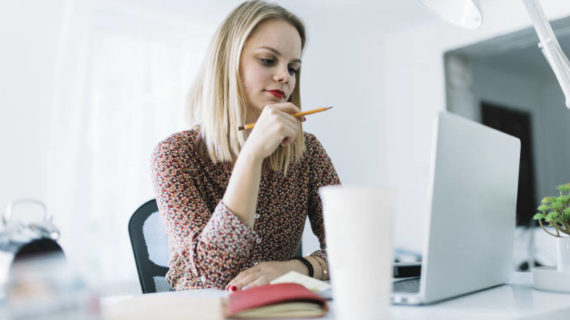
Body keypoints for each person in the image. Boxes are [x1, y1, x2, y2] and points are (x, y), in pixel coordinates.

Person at [151, 0, 340, 292]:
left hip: (280, 310)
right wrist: (251, 155)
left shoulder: (307, 151)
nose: (285, 77)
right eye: (267, 60)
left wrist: (297, 267)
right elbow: (214, 273)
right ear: (227, 62)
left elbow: (353, 246)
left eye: (293, 68)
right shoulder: (175, 155)